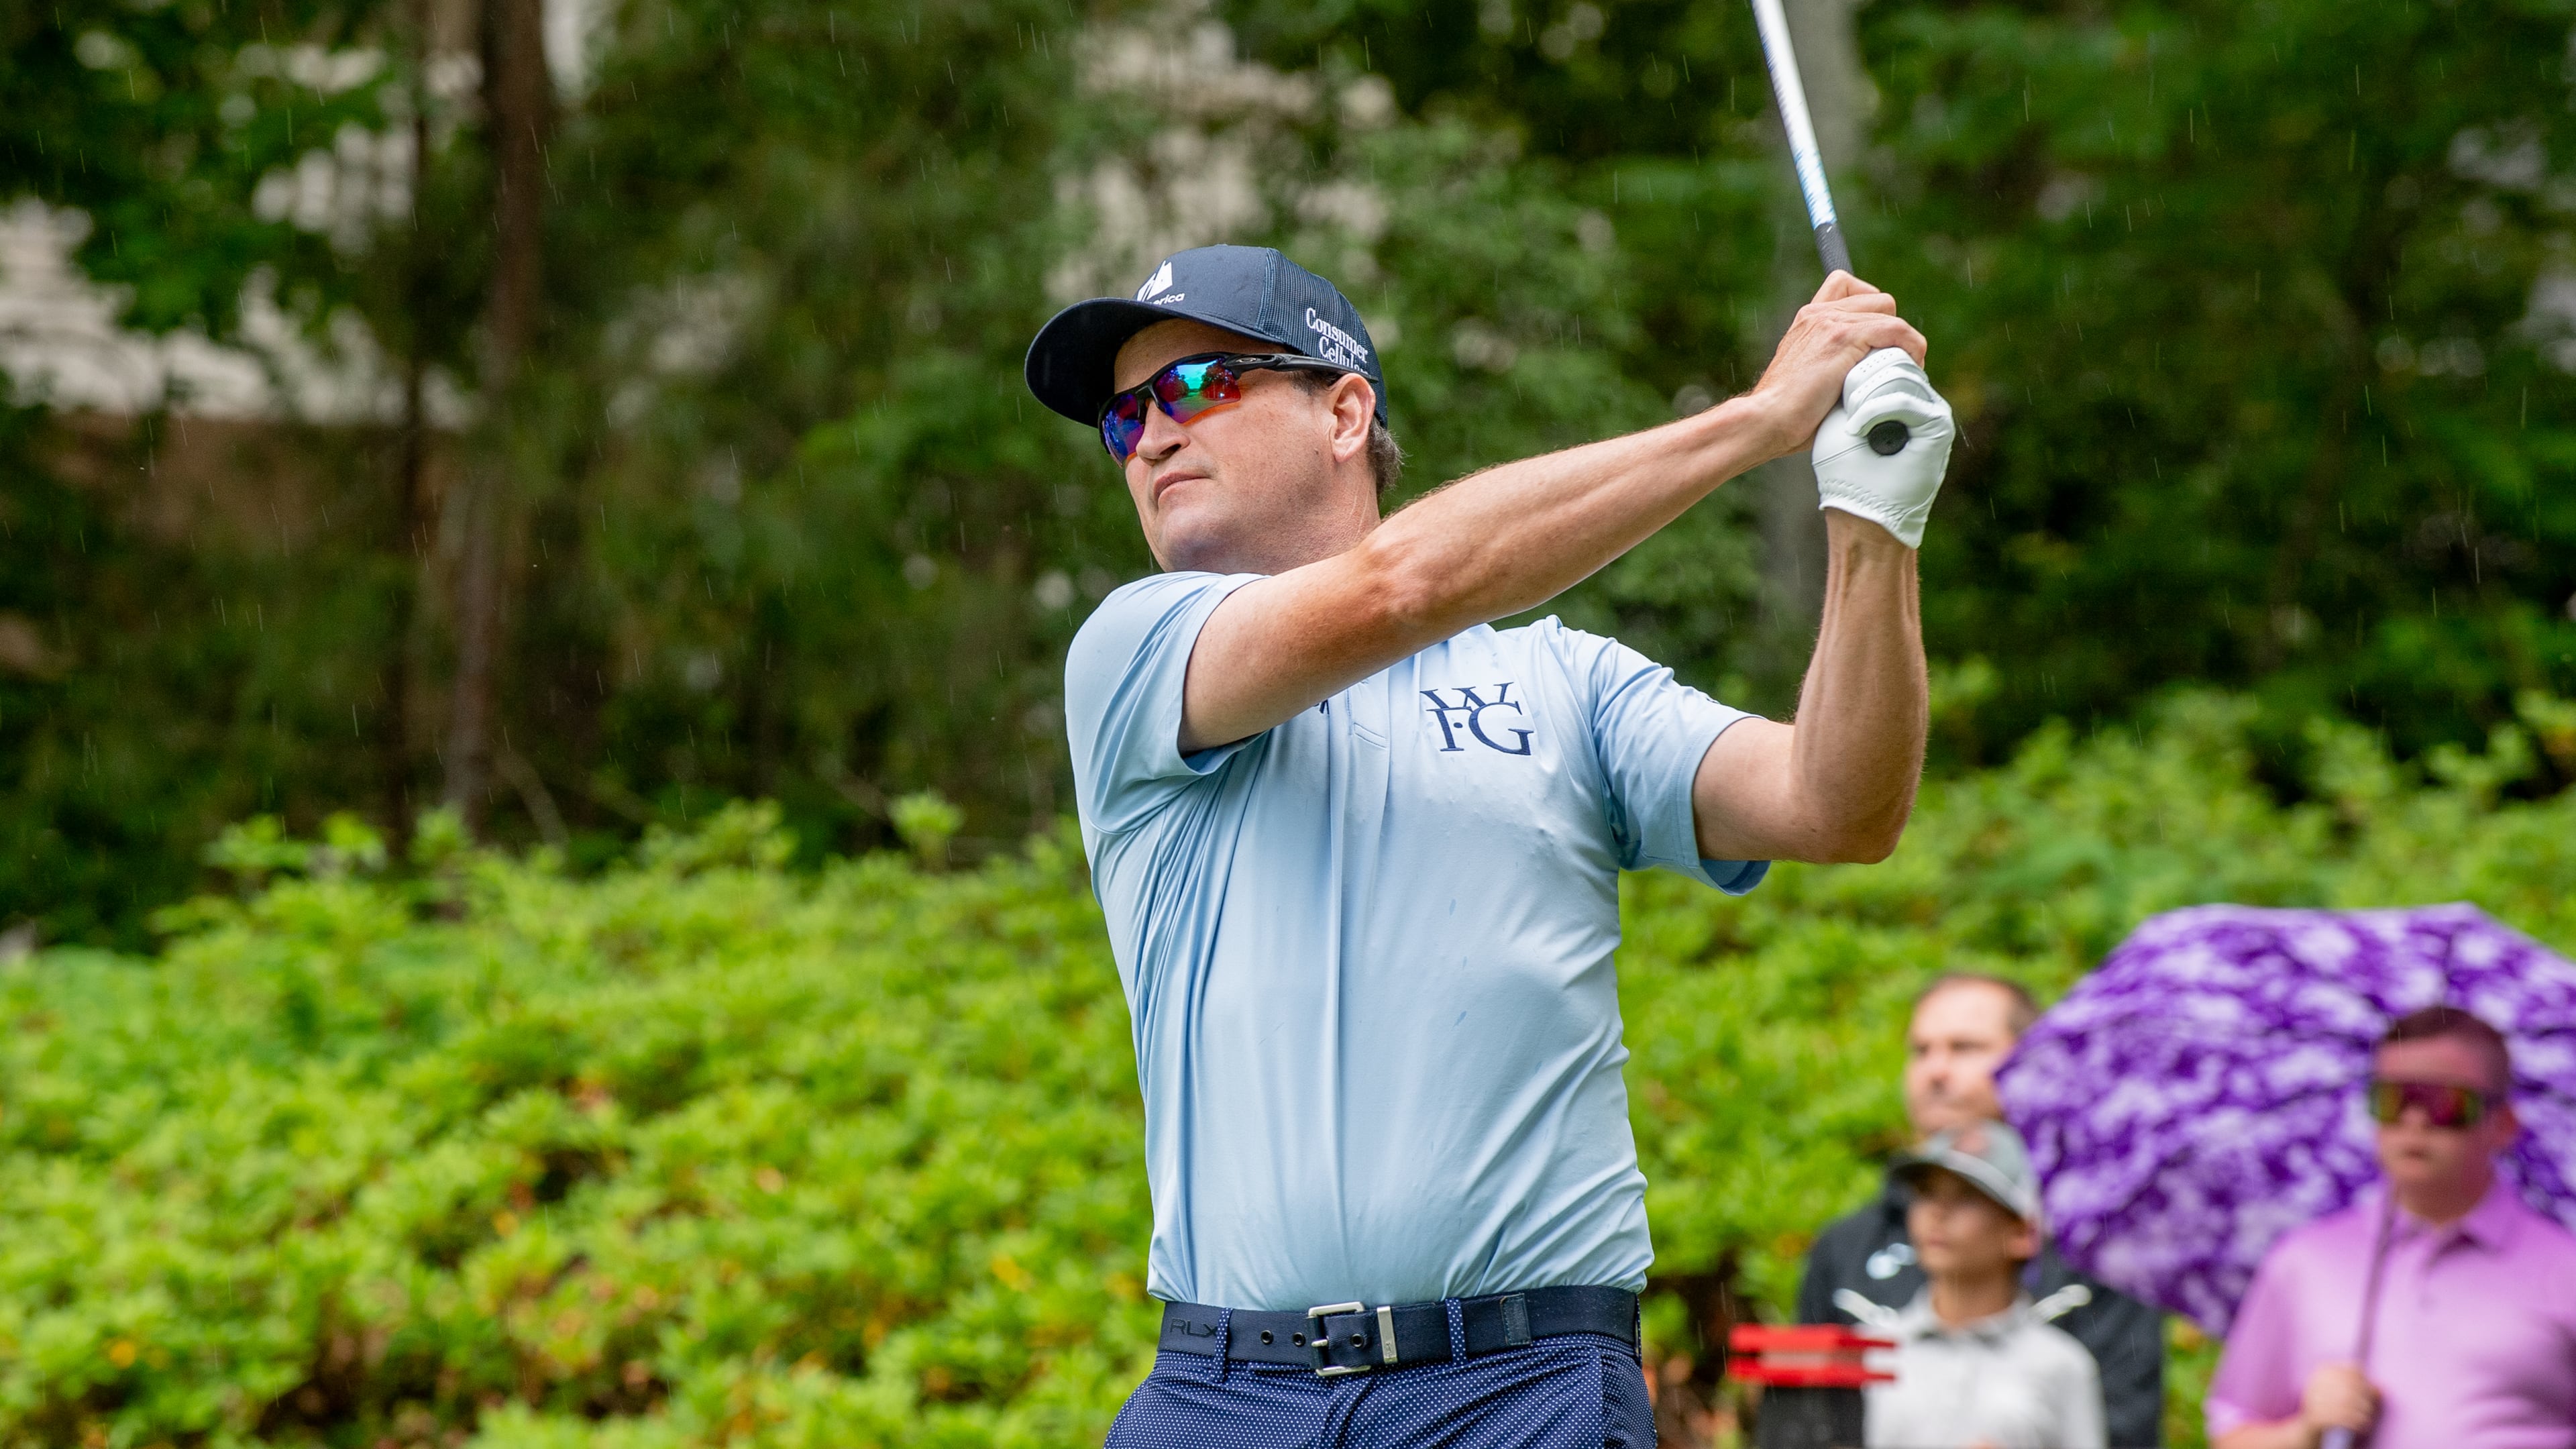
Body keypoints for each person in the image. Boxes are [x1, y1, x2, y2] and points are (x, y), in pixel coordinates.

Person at [1024, 242, 1952, 1445]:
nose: (1150, 436)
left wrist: (1875, 521)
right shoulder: (1133, 650)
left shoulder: (1564, 681)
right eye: (1123, 416)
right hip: (1222, 1392)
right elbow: (1401, 586)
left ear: (1345, 410)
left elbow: (1840, 805)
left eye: (1197, 386)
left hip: (1522, 1389)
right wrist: (1758, 422)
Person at [1799, 973, 2167, 1445]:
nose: (1935, 1071)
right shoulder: (1847, 1247)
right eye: (1921, 1050)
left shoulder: (2100, 1248)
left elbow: (2123, 1428)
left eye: (1965, 1048)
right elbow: (1804, 1425)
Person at [2206, 1006, 2576, 1449]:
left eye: (2444, 1103)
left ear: (2502, 1124)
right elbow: (2233, 1436)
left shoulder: (2564, 1269)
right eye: (2395, 1099)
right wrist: (2305, 1431)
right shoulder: (2304, 1261)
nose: (2414, 1120)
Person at [1847, 1120, 2106, 1449]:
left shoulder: (2062, 1366)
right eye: (1927, 1193)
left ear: (2022, 1233)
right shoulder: (1869, 1351)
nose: (1937, 1213)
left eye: (1968, 1197)